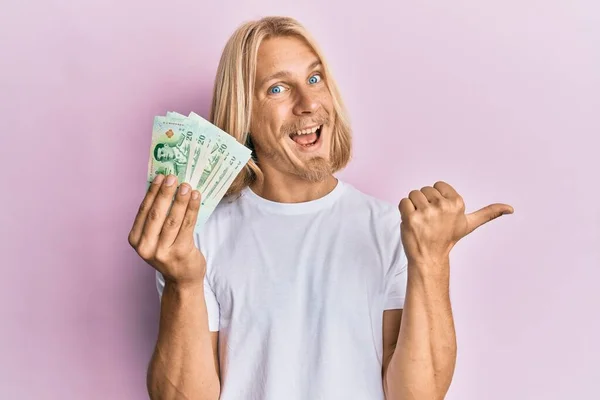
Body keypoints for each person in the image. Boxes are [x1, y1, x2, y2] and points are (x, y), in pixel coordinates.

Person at [128, 16, 514, 400]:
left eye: (315, 79)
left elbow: (417, 396)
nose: (309, 103)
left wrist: (431, 260)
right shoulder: (196, 241)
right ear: (244, 112)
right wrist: (183, 283)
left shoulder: (390, 230)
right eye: (278, 88)